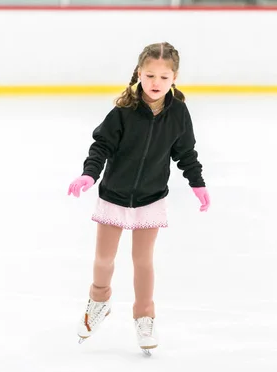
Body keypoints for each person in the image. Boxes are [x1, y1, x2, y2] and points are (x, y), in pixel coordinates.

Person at [67, 42, 210, 353]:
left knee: (142, 261)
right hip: (115, 195)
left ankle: (144, 317)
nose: (155, 83)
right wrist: (89, 174)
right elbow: (100, 147)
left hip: (151, 197)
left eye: (163, 77)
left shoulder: (179, 114)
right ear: (139, 74)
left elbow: (185, 153)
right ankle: (99, 301)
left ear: (174, 78)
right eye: (149, 75)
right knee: (104, 258)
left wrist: (197, 183)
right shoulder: (124, 111)